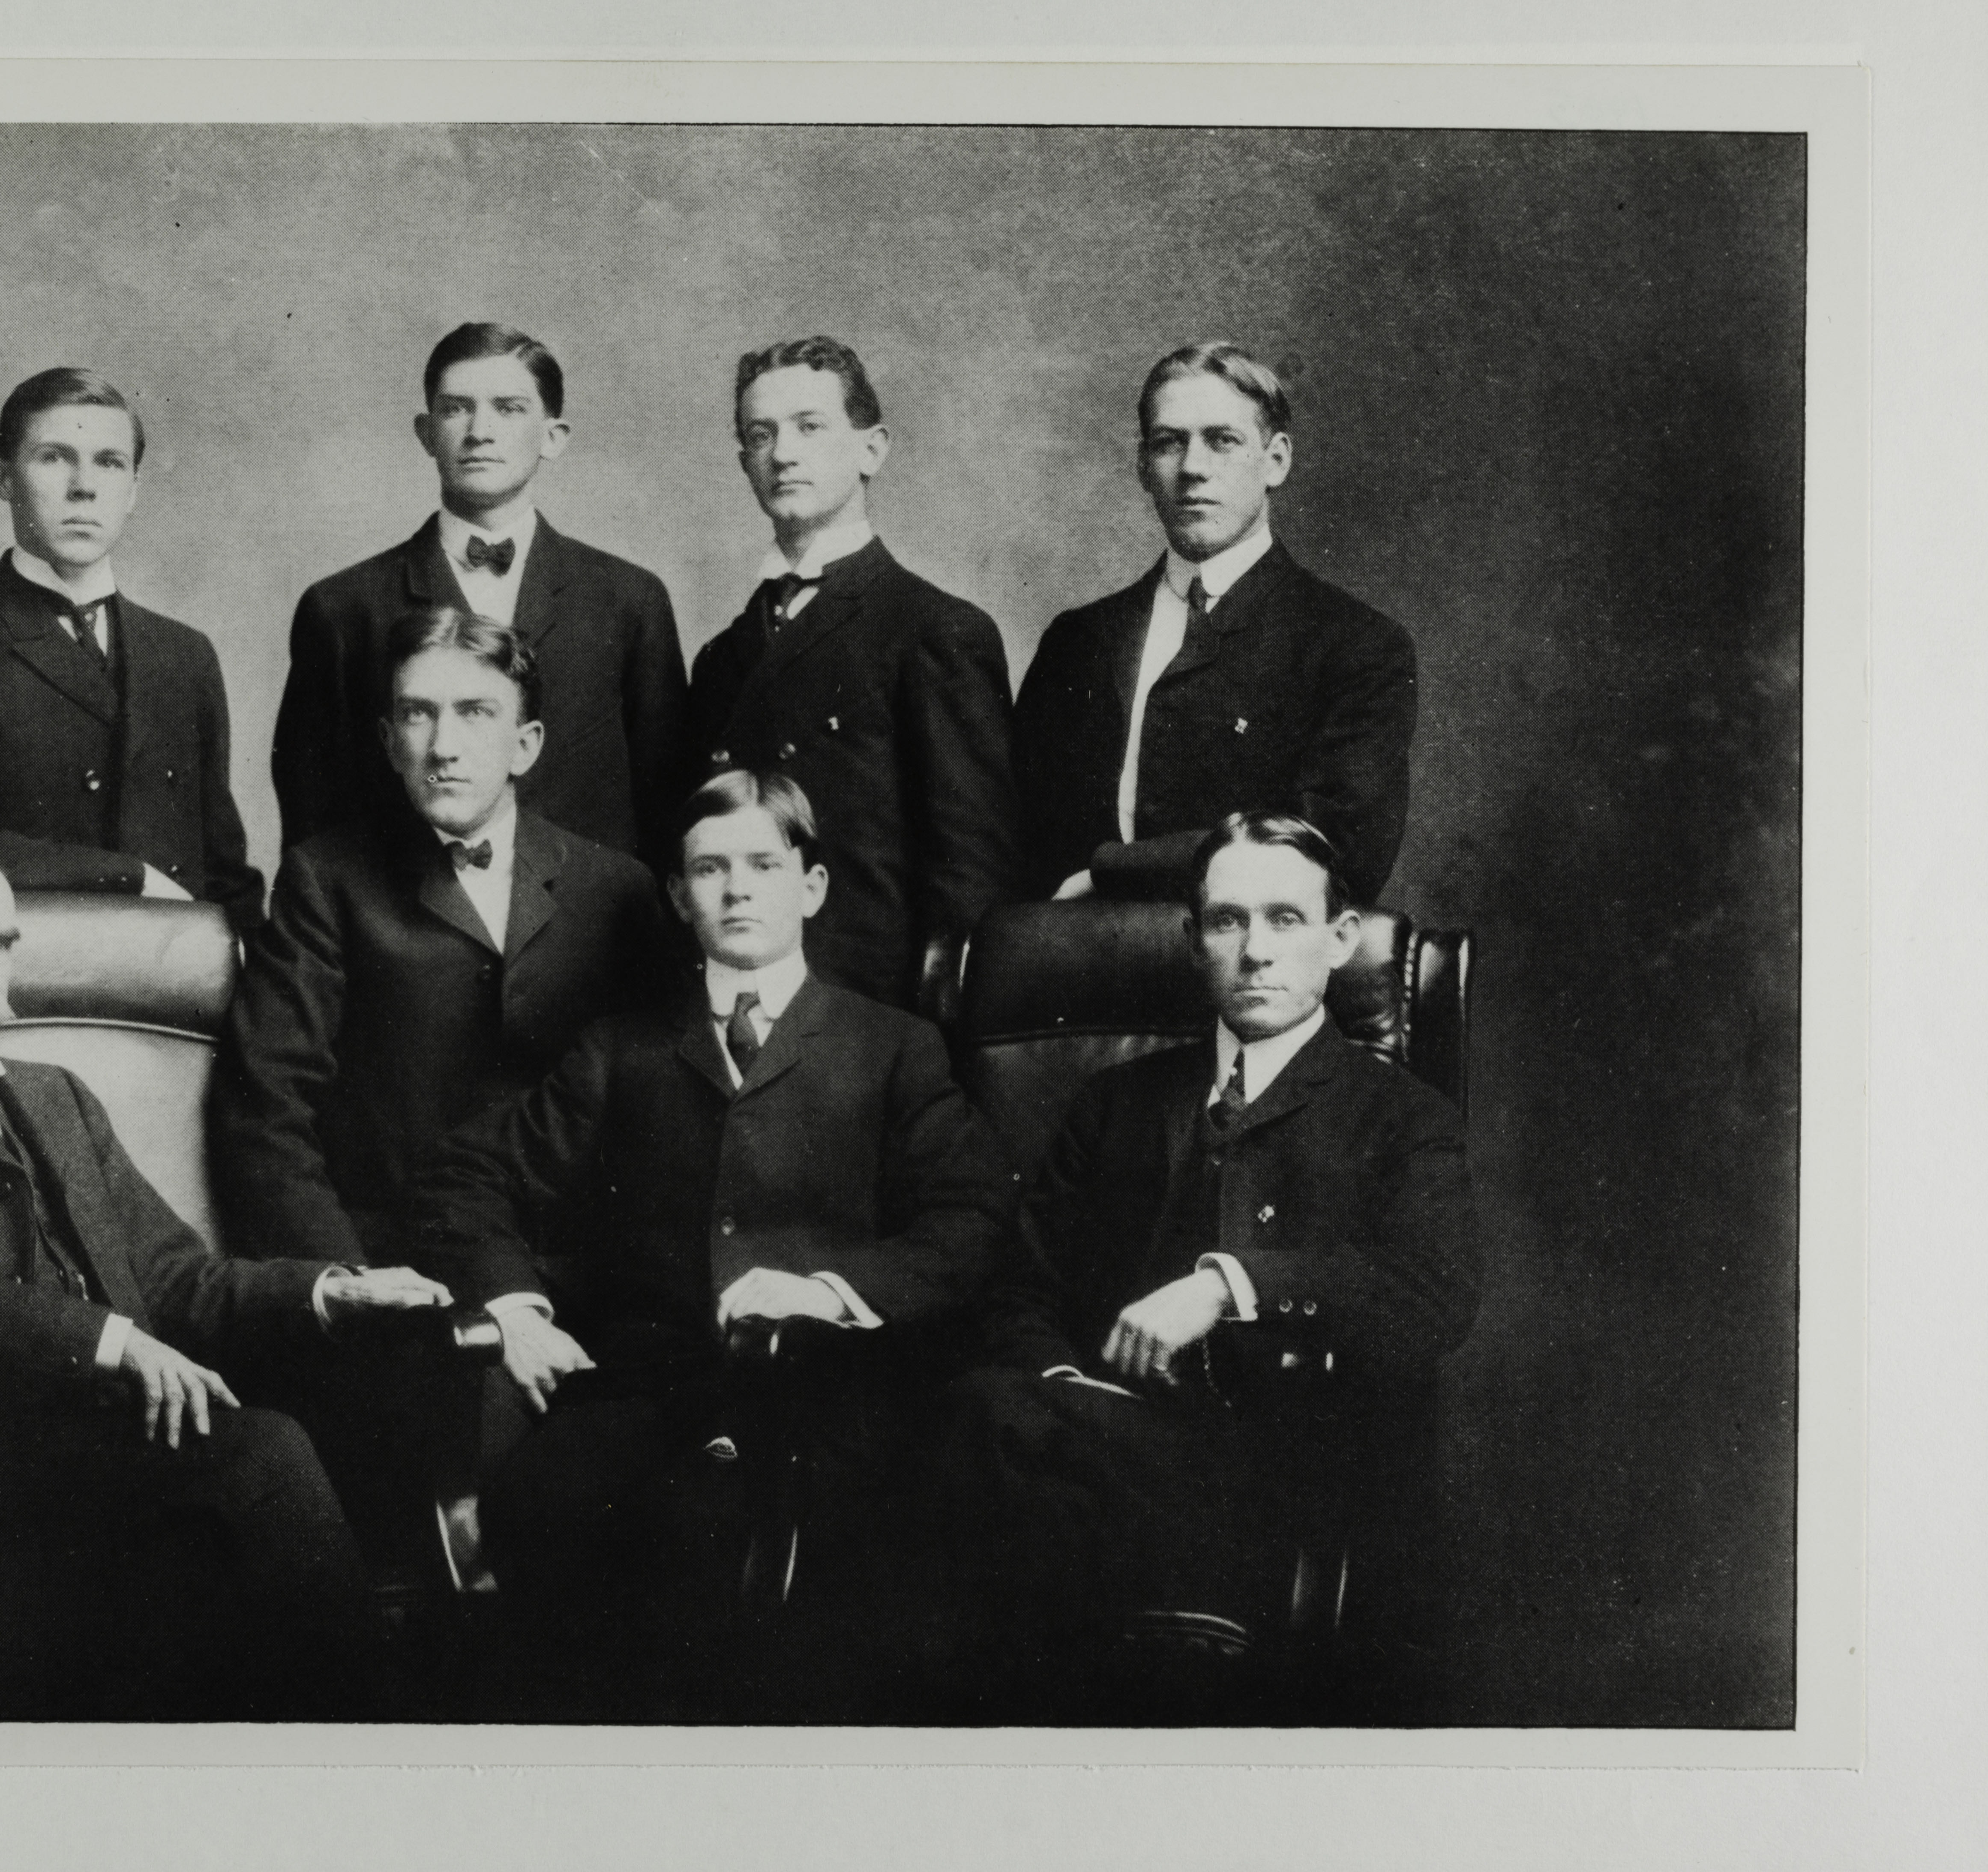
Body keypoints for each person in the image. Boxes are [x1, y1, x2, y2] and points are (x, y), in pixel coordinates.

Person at [0, 841, 450, 1717]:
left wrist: (325, 1289)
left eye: (4, 944)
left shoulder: (59, 1096)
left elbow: (173, 1278)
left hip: (132, 1443)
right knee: (262, 1452)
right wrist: (110, 1342)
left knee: (301, 1437)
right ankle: (368, 1739)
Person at [408, 770, 1013, 1719]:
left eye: (764, 865)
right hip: (644, 1388)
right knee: (542, 1504)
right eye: (710, 869)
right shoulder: (620, 1050)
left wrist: (829, 1291)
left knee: (734, 1545)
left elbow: (972, 1224)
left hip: (825, 1397)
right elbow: (467, 1185)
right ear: (680, 897)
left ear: (810, 887)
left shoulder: (894, 1047)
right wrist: (516, 1312)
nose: (737, 889)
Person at [931, 812, 1479, 1719]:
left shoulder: (1401, 1118)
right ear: (1194, 942)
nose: (1255, 950)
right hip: (1094, 1444)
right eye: (1227, 921)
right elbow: (1018, 1286)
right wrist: (1067, 1382)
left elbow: (1435, 1293)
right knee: (979, 1416)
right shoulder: (1115, 1104)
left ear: (1340, 940)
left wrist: (1230, 1285)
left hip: (1276, 1470)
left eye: (1284, 920)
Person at [212, 609, 668, 1556]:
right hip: (404, 1284)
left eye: (474, 713)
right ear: (386, 740)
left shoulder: (615, 889)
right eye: (417, 716)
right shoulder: (328, 882)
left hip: (584, 1285)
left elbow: (654, 1113)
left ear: (527, 742)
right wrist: (357, 1289)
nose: (444, 745)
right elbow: (267, 1115)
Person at [0, 367, 267, 932]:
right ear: (4, 479)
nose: (84, 486)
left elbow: (224, 869)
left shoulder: (185, 656)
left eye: (109, 462)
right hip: (27, 986)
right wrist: (129, 877)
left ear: (133, 491)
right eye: (54, 457)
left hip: (181, 988)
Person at [1011, 341, 1417, 904]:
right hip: (1078, 969)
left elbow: (1339, 850)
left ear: (1276, 460)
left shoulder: (1355, 646)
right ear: (1141, 466)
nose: (1193, 468)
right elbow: (1016, 833)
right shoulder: (1078, 641)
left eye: (1222, 441)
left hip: (1251, 970)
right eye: (1168, 443)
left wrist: (1115, 872)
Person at [682, 336, 1019, 1009]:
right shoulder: (722, 657)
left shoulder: (936, 630)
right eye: (761, 434)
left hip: (872, 1010)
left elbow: (971, 874)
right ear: (744, 461)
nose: (784, 454)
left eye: (810, 427)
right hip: (738, 1003)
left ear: (872, 449)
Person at [271, 322, 687, 862]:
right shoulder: (343, 609)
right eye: (456, 409)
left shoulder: (629, 600)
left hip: (590, 937)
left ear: (553, 437)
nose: (480, 431)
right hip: (403, 934)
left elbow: (668, 803)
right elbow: (312, 817)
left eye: (509, 408)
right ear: (425, 433)